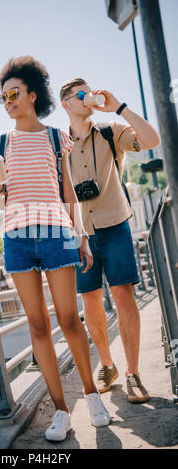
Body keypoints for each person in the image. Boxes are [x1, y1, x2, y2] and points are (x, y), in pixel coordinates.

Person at [0, 57, 111, 442]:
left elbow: (68, 191)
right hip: (18, 239)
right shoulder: (0, 143)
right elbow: (4, 201)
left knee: (70, 320)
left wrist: (82, 235)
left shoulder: (57, 138)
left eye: (14, 93)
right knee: (38, 327)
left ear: (33, 94)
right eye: (2, 96)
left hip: (56, 234)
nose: (7, 100)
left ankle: (91, 395)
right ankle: (61, 410)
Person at [60, 77, 161, 403]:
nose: (86, 97)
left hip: (115, 225)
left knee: (122, 294)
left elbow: (151, 139)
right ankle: (108, 365)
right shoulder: (58, 143)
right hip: (79, 233)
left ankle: (133, 373)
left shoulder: (109, 130)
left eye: (86, 91)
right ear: (66, 104)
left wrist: (118, 106)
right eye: (79, 94)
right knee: (90, 301)